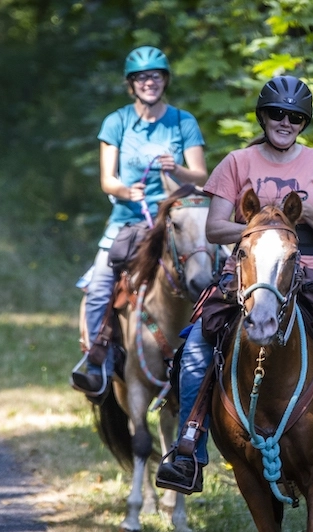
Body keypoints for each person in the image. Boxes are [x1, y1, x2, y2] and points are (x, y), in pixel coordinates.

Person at [155, 75, 313, 492]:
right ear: (264, 117)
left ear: (303, 122)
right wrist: (261, 231)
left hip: (307, 268)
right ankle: (188, 449)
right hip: (247, 271)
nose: (284, 122)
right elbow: (215, 229)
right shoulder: (236, 162)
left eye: (294, 117)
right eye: (276, 114)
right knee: (197, 347)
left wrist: (302, 214)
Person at [71, 46, 208, 396]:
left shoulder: (182, 122)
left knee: (211, 274)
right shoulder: (116, 122)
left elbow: (201, 179)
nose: (150, 83)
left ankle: (221, 354)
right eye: (142, 78)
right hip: (126, 224)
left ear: (165, 80)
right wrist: (123, 190)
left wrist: (174, 169)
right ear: (131, 85)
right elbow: (107, 179)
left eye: (156, 76)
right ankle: (96, 363)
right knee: (101, 284)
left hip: (174, 224)